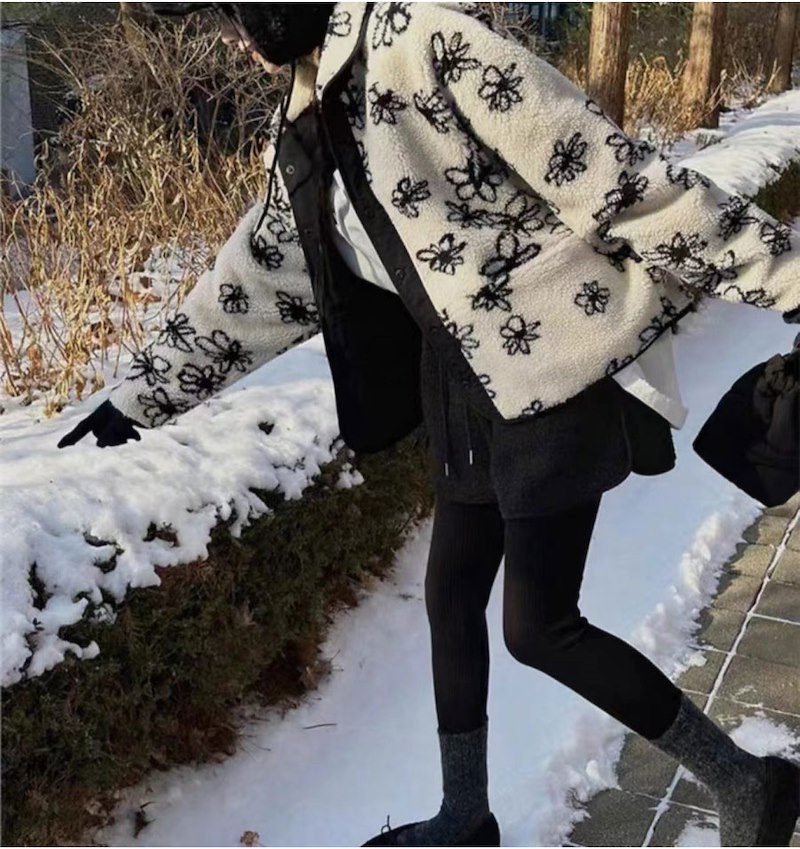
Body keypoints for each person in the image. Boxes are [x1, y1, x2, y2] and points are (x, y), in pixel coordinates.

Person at [57, 4, 800, 846]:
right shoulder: (309, 111)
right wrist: (141, 394)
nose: (228, 41)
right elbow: (268, 267)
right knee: (450, 596)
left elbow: (616, 178)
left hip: (551, 368)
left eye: (225, 17)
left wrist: (786, 275)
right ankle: (464, 815)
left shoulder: (425, 42)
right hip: (461, 384)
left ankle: (749, 781)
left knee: (540, 628)